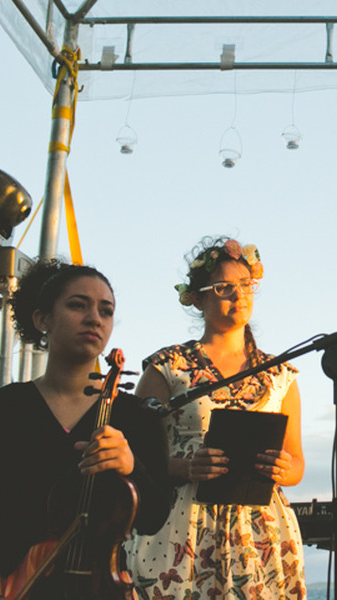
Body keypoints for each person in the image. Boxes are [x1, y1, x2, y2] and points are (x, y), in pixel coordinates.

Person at [0, 259, 170, 600]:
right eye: (78, 305)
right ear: (42, 320)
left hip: (101, 589)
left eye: (106, 311)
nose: (95, 318)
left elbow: (154, 518)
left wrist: (131, 466)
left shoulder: (135, 416)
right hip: (10, 586)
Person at [126, 237, 306, 600]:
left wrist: (281, 468)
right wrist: (185, 467)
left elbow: (297, 464)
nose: (238, 295)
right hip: (180, 523)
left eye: (246, 285)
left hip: (259, 529)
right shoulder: (167, 367)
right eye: (223, 288)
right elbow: (132, 455)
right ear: (197, 298)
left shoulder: (280, 374)